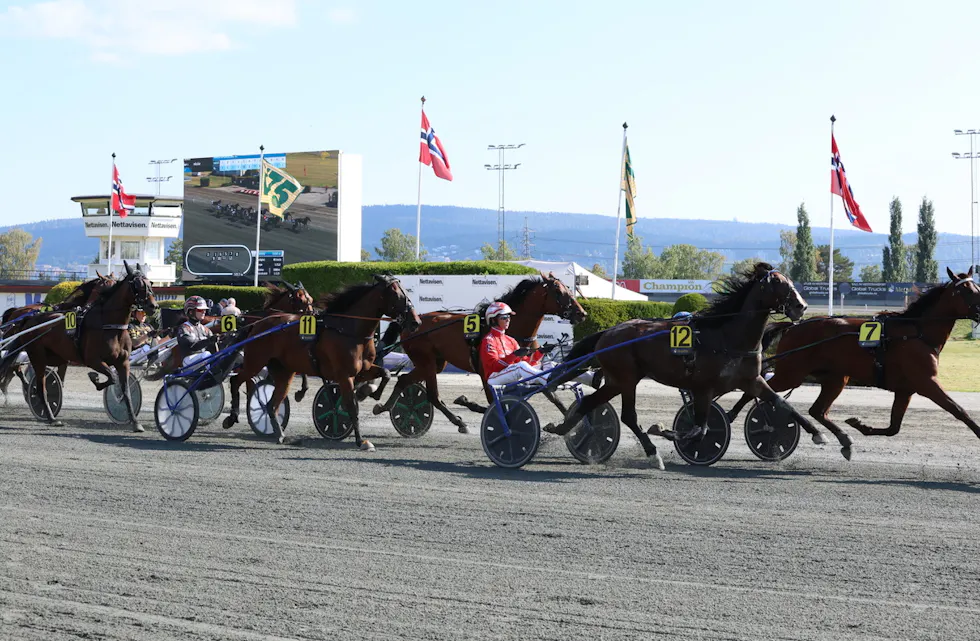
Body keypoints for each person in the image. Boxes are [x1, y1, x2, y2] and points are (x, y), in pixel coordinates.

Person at [479, 301, 593, 388]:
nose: (508, 319)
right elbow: (494, 367)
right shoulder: (488, 341)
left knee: (550, 365)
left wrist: (540, 352)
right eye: (504, 317)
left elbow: (528, 363)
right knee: (520, 366)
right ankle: (548, 380)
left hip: (512, 373)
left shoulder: (511, 340)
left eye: (509, 317)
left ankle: (590, 378)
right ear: (493, 320)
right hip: (495, 377)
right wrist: (514, 355)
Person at [178, 296, 217, 368]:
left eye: (204, 310)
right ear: (191, 312)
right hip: (188, 360)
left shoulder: (206, 329)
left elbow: (214, 349)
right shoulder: (184, 328)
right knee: (206, 354)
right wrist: (209, 340)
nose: (204, 312)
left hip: (203, 359)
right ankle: (210, 374)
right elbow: (193, 347)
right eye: (200, 310)